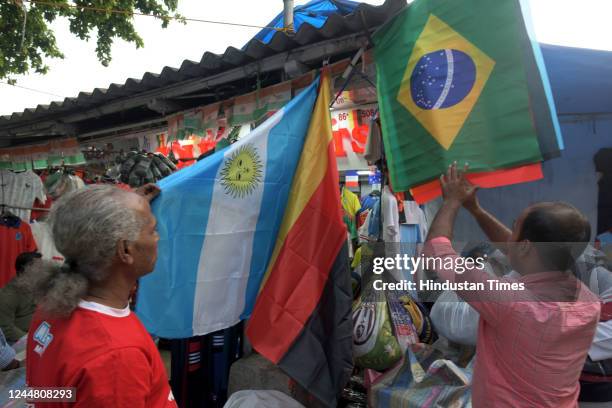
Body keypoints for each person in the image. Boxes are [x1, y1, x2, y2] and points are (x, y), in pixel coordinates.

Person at [422, 162, 600, 407]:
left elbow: (436, 252)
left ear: (526, 246)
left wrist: (452, 201)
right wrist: (475, 210)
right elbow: (517, 249)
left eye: (515, 227)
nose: (510, 236)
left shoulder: (509, 301)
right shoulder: (588, 301)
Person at [22, 184, 177, 407]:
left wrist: (133, 206)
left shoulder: (51, 306)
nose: (157, 238)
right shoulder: (116, 358)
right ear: (125, 250)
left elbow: (46, 393)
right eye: (152, 230)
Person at [0, 252, 40, 344]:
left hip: (37, 334)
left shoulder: (36, 286)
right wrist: (30, 340)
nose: (43, 270)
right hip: (17, 341)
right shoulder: (8, 295)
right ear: (25, 270)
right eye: (39, 267)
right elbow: (5, 328)